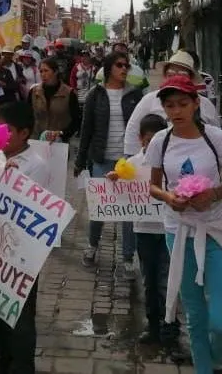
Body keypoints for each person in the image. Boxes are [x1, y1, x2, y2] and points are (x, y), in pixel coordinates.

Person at [144, 75, 222, 374]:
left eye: (182, 104)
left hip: (216, 231)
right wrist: (169, 198)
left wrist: (213, 194)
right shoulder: (160, 142)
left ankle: (219, 361)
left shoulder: (215, 138)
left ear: (196, 103)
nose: (176, 111)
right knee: (195, 314)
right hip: (179, 233)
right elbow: (153, 186)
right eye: (170, 105)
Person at [106, 113, 186, 360]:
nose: (151, 145)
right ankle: (153, 326)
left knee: (167, 282)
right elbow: (118, 190)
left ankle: (170, 329)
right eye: (147, 140)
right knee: (149, 281)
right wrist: (114, 180)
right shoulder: (131, 164)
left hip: (169, 230)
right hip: (143, 230)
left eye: (155, 140)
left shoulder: (172, 162)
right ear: (140, 139)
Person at [0, 101, 50, 374]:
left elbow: (28, 208)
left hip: (21, 252)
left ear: (24, 133)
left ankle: (22, 364)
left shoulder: (37, 165)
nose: (2, 135)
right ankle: (4, 356)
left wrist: (4, 177)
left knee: (19, 313)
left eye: (7, 130)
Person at [75, 52, 143, 276]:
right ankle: (92, 246)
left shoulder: (135, 95)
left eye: (127, 66)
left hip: (128, 160)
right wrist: (80, 160)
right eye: (119, 65)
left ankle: (128, 258)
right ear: (108, 68)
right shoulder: (95, 95)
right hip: (101, 159)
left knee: (128, 211)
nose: (124, 69)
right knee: (99, 208)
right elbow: (86, 129)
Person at [122, 51, 221, 159]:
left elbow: (216, 137)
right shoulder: (149, 100)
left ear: (191, 79)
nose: (176, 79)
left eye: (182, 75)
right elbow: (133, 130)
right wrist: (136, 159)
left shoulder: (205, 104)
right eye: (171, 75)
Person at [30, 57, 81, 142]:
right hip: (37, 140)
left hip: (59, 141)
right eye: (41, 71)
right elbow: (28, 116)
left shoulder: (69, 93)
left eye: (46, 71)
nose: (43, 74)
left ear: (56, 72)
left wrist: (61, 133)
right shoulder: (34, 92)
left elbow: (76, 121)